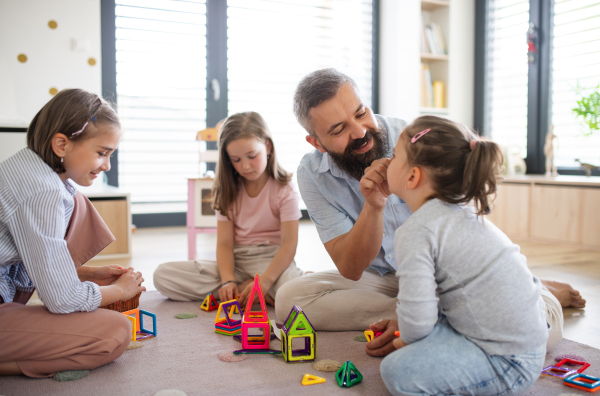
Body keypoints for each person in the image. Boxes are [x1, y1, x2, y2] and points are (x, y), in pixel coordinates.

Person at [274, 68, 585, 356]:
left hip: (448, 273)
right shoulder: (312, 174)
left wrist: (431, 295)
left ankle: (537, 294)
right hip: (382, 278)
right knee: (290, 301)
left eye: (361, 112)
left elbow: (465, 238)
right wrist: (373, 206)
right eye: (340, 129)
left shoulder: (417, 141)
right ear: (317, 143)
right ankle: (422, 315)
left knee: (528, 335)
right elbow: (351, 268)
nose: (360, 132)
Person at [379, 115, 549, 395]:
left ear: (412, 176)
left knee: (397, 371)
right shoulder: (462, 209)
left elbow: (417, 326)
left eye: (395, 155)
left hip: (507, 361)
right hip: (527, 336)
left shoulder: (417, 230)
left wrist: (407, 341)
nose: (387, 162)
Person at [0, 89, 146, 378]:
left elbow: (25, 252)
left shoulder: (27, 166)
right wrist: (118, 291)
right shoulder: (42, 191)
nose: (106, 165)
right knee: (115, 331)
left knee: (75, 200)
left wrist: (83, 273)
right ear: (61, 145)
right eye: (102, 153)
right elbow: (61, 300)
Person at [153, 112, 304, 307]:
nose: (246, 166)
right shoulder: (227, 189)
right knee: (162, 276)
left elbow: (289, 244)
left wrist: (265, 281)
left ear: (267, 146)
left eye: (251, 156)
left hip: (273, 262)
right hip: (237, 262)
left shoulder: (285, 189)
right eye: (236, 159)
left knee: (296, 295)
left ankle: (255, 290)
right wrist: (228, 281)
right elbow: (224, 244)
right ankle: (249, 291)